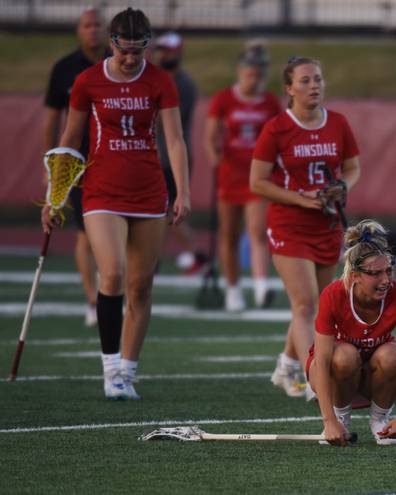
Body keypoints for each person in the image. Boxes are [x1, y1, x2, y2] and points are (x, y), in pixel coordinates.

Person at [42, 7, 190, 400]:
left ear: (147, 48)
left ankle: (128, 371)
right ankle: (110, 370)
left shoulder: (160, 81)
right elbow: (70, 139)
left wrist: (183, 193)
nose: (129, 60)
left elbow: (174, 140)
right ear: (112, 44)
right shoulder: (87, 81)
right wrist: (54, 197)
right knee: (112, 274)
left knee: (141, 287)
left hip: (149, 192)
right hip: (102, 190)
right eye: (123, 52)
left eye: (137, 53)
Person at [250, 56, 360, 400]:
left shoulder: (338, 123)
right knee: (305, 303)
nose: (314, 86)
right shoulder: (277, 128)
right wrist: (300, 198)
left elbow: (352, 167)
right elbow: (257, 182)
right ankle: (317, 377)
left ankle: (285, 366)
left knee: (317, 306)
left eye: (318, 79)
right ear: (289, 88)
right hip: (289, 224)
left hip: (326, 224)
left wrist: (343, 188)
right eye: (305, 81)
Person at [308, 220, 396, 446]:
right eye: (375, 274)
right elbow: (322, 361)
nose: (385, 280)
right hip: (333, 372)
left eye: (389, 270)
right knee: (344, 356)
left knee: (394, 356)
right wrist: (329, 420)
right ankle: (341, 417)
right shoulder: (333, 294)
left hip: (374, 375)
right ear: (355, 275)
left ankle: (380, 419)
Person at [42, 7, 106, 327]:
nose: (93, 30)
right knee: (85, 231)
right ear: (79, 31)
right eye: (87, 25)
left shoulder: (120, 63)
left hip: (113, 159)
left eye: (98, 25)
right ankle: (93, 299)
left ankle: (110, 293)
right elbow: (54, 119)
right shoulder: (64, 69)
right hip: (78, 162)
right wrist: (53, 164)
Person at [205, 43, 281, 311]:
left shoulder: (270, 102)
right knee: (229, 235)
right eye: (249, 72)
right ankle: (233, 290)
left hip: (257, 175)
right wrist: (214, 154)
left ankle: (261, 286)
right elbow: (211, 135)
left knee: (258, 230)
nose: (254, 77)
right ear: (241, 71)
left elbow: (279, 135)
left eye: (258, 72)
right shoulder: (224, 99)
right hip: (230, 173)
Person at [152, 31, 205, 275]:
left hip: (170, 157)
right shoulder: (156, 79)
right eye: (161, 49)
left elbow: (167, 122)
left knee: (167, 210)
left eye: (169, 50)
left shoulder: (182, 84)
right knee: (159, 211)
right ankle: (155, 256)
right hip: (157, 155)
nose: (164, 54)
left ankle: (196, 253)